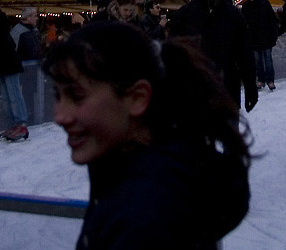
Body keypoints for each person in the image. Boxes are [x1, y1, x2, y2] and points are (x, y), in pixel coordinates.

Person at [45, 19, 250, 250]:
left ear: (137, 98)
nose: (60, 116)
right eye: (57, 96)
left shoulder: (147, 214)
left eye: (77, 96)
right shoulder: (136, 175)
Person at [168, 0, 258, 112]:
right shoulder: (186, 14)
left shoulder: (233, 14)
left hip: (226, 87)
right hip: (195, 90)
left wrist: (250, 88)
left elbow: (244, 53)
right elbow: (174, 52)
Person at [0, 6, 31, 143]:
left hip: (9, 66)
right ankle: (13, 124)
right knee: (7, 97)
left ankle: (21, 124)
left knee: (14, 96)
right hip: (3, 67)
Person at [241, 0, 278, 91]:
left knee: (268, 60)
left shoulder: (264, 3)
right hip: (254, 39)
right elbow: (243, 23)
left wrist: (273, 35)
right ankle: (261, 80)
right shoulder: (246, 7)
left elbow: (272, 20)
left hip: (266, 37)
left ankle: (270, 81)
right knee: (258, 62)